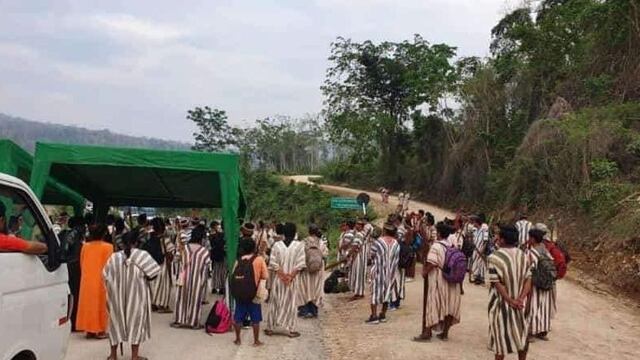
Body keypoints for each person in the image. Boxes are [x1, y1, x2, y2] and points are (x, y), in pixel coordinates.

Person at [103, 229, 160, 360]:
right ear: (137, 242)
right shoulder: (143, 255)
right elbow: (154, 273)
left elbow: (105, 275)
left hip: (116, 296)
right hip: (137, 295)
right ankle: (134, 356)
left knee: (115, 323)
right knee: (136, 322)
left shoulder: (114, 257)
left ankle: (113, 355)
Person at [488, 225, 532, 360]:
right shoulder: (524, 256)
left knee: (501, 340)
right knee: (522, 337)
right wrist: (520, 299)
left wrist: (510, 300)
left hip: (501, 304)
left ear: (502, 240)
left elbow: (497, 283)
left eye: (498, 236)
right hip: (520, 305)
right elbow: (528, 279)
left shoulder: (494, 257)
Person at [414, 222, 461, 342]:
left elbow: (432, 263)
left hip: (439, 278)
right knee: (449, 305)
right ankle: (444, 333)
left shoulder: (436, 246)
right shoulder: (452, 245)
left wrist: (424, 272)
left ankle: (427, 332)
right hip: (451, 279)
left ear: (439, 233)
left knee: (433, 303)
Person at [265, 222, 306, 338]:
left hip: (279, 279)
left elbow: (273, 263)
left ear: (283, 232)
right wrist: (290, 277)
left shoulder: (277, 245)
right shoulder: (299, 245)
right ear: (294, 233)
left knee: (275, 302)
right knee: (291, 303)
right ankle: (291, 329)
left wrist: (282, 276)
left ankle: (270, 328)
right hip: (292, 280)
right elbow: (300, 264)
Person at [76, 223, 113, 339]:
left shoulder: (85, 246)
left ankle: (89, 330)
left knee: (88, 304)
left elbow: (82, 263)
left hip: (87, 279)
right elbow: (110, 265)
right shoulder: (108, 247)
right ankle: (100, 330)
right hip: (101, 279)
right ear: (104, 234)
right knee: (100, 304)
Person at [172, 224, 211, 329]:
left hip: (183, 277)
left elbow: (175, 259)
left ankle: (179, 320)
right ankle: (193, 322)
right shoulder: (204, 251)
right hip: (197, 279)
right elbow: (207, 266)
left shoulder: (184, 248)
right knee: (195, 299)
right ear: (202, 238)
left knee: (181, 298)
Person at [232, 237, 268, 346]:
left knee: (238, 317)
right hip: (254, 294)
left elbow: (233, 275)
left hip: (240, 294)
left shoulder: (238, 260)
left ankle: (238, 339)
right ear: (253, 247)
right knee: (255, 318)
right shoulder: (259, 259)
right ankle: (256, 341)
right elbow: (265, 276)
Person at [526, 228, 556, 341]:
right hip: (547, 282)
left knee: (533, 306)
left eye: (529, 237)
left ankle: (530, 332)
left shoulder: (532, 252)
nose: (528, 240)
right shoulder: (545, 250)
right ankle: (543, 331)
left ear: (533, 239)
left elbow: (529, 268)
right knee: (544, 307)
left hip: (536, 284)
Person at [366, 223, 400, 324]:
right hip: (391, 273)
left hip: (378, 271)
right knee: (387, 293)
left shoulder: (378, 242)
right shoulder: (396, 243)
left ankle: (374, 316)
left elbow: (371, 255)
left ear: (385, 231)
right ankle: (383, 314)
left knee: (375, 293)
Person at [60, 216, 86, 331]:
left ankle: (70, 321)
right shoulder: (77, 233)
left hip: (67, 265)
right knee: (76, 294)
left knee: (70, 294)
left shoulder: (65, 233)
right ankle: (75, 323)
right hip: (75, 266)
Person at [297, 225, 328, 318]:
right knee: (316, 289)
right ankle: (314, 311)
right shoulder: (321, 242)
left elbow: (299, 255)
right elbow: (325, 255)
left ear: (309, 231)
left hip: (306, 270)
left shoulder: (304, 242)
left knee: (305, 289)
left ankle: (304, 310)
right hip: (318, 270)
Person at [149, 218, 175, 313]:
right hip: (162, 265)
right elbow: (170, 255)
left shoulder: (150, 238)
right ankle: (163, 305)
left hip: (152, 265)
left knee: (154, 285)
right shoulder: (165, 240)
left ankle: (153, 304)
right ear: (163, 228)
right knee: (164, 286)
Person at [348, 220, 367, 301]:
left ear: (361, 226)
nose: (356, 225)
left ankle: (358, 293)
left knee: (357, 274)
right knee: (360, 274)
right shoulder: (363, 234)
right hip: (362, 256)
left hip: (358, 256)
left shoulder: (359, 234)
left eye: (358, 224)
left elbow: (355, 246)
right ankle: (360, 292)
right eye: (356, 224)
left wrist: (349, 254)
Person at [470, 215, 489, 285]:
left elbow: (485, 241)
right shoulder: (475, 230)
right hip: (475, 249)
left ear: (477, 222)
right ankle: (476, 277)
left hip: (481, 249)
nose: (473, 224)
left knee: (481, 264)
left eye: (474, 222)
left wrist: (482, 249)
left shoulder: (484, 230)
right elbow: (473, 239)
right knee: (476, 263)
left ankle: (480, 278)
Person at [209, 220, 227, 295]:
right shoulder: (223, 235)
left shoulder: (212, 234)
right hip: (222, 256)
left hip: (215, 256)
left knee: (215, 271)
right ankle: (222, 287)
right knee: (222, 272)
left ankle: (214, 287)